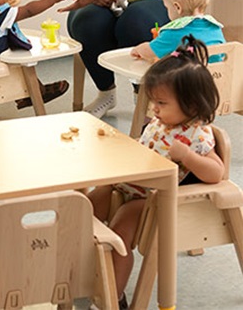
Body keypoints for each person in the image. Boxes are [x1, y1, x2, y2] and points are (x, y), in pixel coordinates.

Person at [87, 35, 224, 309]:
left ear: (192, 106)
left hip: (149, 198)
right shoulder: (161, 122)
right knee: (87, 206)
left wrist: (187, 156)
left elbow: (217, 172)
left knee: (121, 233)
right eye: (153, 102)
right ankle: (87, 262)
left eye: (161, 104)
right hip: (128, 184)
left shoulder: (196, 135)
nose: (154, 109)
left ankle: (112, 296)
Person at [131, 0, 225, 62]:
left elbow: (150, 51)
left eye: (167, 7)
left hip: (187, 76)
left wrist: (138, 50)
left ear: (177, 7)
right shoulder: (215, 28)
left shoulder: (173, 32)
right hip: (217, 75)